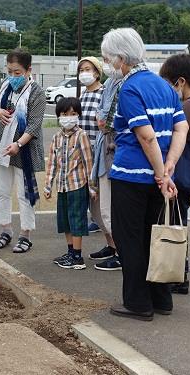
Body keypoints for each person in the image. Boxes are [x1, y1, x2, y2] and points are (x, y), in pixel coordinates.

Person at [101, 28, 188, 321]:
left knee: (130, 240)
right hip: (157, 176)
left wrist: (162, 173)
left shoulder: (129, 88)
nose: (107, 65)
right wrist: (168, 168)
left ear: (121, 59)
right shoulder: (164, 86)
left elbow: (146, 136)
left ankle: (137, 303)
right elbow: (181, 128)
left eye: (108, 59)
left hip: (131, 176)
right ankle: (161, 298)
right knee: (155, 237)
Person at [0, 48, 46, 253]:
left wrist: (18, 144)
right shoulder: (5, 86)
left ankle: (25, 234)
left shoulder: (36, 92)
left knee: (24, 193)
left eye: (17, 72)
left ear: (29, 70)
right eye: (9, 71)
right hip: (2, 146)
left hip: (24, 149)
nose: (12, 76)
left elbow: (34, 125)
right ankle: (5, 229)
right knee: (2, 191)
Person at [159, 53, 190, 293]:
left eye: (169, 83)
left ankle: (178, 275)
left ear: (180, 81)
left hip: (180, 174)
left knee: (175, 224)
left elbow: (172, 134)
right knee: (179, 222)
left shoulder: (189, 105)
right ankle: (180, 274)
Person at [44, 97, 95, 269]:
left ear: (78, 115)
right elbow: (52, 163)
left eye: (73, 114)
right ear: (58, 116)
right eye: (65, 114)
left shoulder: (82, 135)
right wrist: (48, 185)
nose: (69, 117)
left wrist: (92, 187)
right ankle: (71, 252)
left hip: (78, 186)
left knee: (77, 221)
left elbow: (89, 163)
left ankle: (78, 257)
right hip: (62, 186)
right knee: (65, 220)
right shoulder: (57, 138)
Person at [88, 64, 123, 271]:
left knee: (112, 206)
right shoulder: (110, 83)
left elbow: (112, 119)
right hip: (101, 148)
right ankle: (111, 246)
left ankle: (121, 253)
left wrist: (104, 122)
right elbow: (101, 115)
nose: (108, 63)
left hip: (114, 150)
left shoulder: (128, 84)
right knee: (100, 206)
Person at [77, 56, 104, 235]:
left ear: (96, 72)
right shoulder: (83, 94)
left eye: (87, 69)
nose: (84, 73)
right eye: (81, 70)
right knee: (86, 181)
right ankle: (91, 216)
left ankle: (99, 218)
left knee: (97, 183)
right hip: (82, 146)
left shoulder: (103, 93)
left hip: (97, 146)